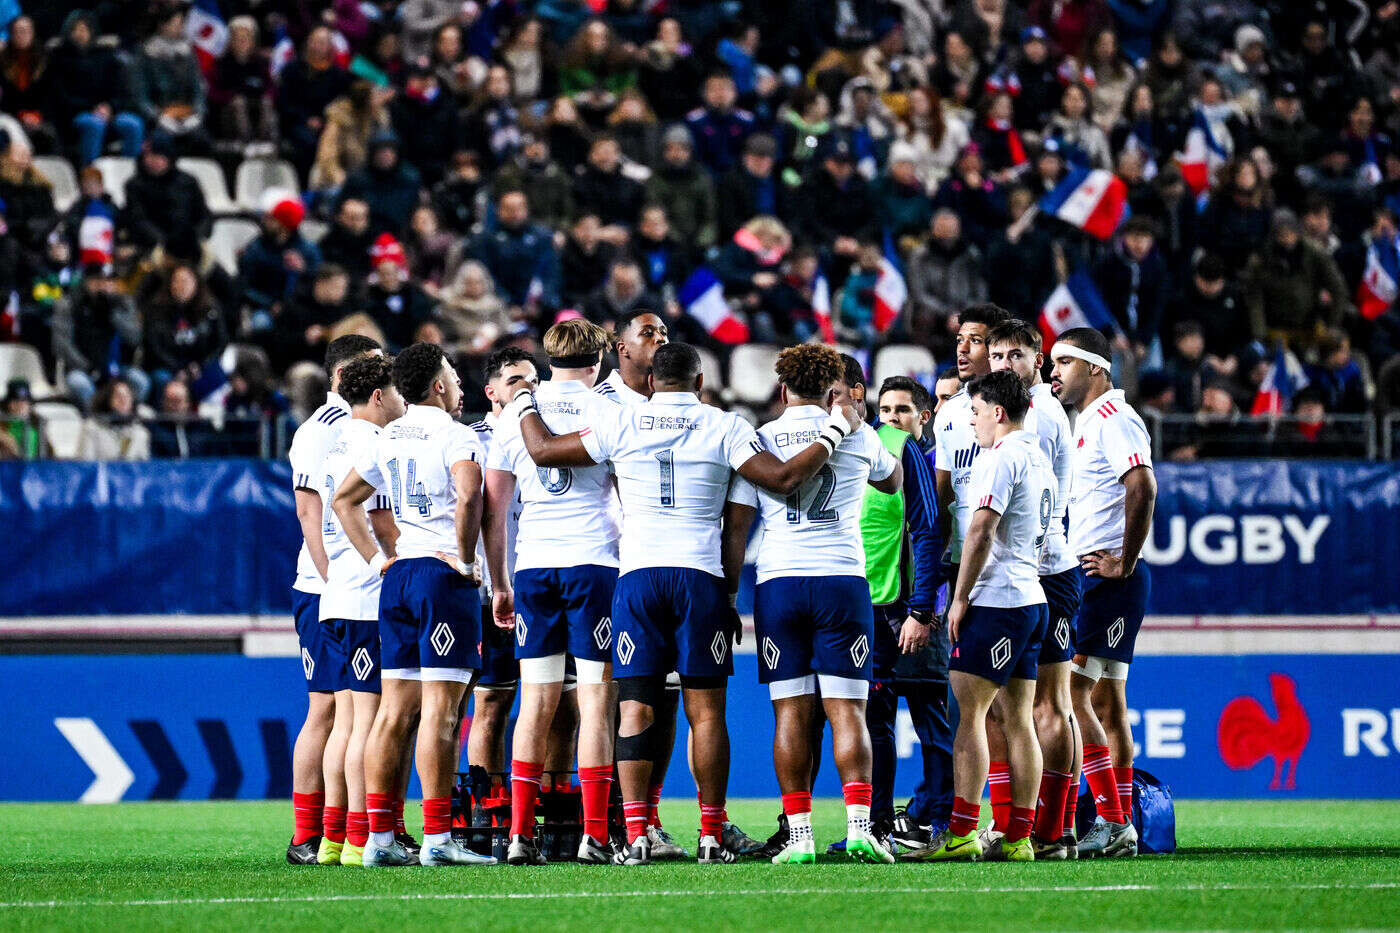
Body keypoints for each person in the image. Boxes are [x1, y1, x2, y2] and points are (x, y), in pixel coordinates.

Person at [506, 342, 865, 865]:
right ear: (700, 384)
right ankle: (711, 836)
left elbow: (541, 451)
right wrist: (836, 429)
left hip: (638, 578)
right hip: (700, 576)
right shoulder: (727, 427)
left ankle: (633, 838)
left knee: (634, 707)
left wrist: (523, 405)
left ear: (651, 381)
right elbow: (785, 480)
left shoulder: (623, 422)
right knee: (705, 711)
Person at [728, 345, 904, 865]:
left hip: (779, 583)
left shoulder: (758, 441)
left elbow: (737, 525)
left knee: (790, 711)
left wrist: (727, 593)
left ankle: (799, 835)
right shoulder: (859, 433)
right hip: (842, 583)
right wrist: (853, 427)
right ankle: (858, 829)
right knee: (849, 710)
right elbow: (892, 482)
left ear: (782, 390)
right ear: (835, 390)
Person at [331, 342, 497, 868]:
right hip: (441, 579)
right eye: (453, 374)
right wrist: (467, 561)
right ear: (438, 385)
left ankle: (378, 838)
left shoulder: (389, 435)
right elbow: (470, 496)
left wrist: (379, 559)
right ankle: (436, 838)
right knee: (442, 713)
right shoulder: (456, 434)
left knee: (394, 711)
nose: (460, 384)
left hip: (399, 577)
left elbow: (344, 499)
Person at [482, 320, 622, 866]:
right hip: (594, 563)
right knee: (593, 703)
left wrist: (500, 582)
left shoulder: (516, 414)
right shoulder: (609, 412)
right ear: (599, 362)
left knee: (534, 703)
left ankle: (519, 834)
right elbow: (627, 497)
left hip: (534, 567)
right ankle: (593, 835)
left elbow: (495, 512)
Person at [911, 369, 1054, 862]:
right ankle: (1018, 838)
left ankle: (963, 832)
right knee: (1019, 720)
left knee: (968, 719)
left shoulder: (1000, 458)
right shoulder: (1037, 456)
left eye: (974, 412)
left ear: (997, 412)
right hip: (1031, 598)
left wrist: (959, 597)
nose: (970, 422)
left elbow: (980, 531)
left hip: (997, 601)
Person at [590, 307, 695, 860]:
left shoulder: (676, 406)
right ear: (619, 346)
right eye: (647, 333)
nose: (658, 340)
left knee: (667, 695)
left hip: (659, 569)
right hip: (607, 565)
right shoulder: (602, 405)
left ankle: (646, 819)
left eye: (664, 333)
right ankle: (598, 820)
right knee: (610, 697)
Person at [1049, 327, 1157, 858]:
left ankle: (1111, 822)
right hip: (1098, 577)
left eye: (1063, 361)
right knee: (1109, 704)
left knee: (1072, 694)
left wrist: (1124, 561)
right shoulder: (1086, 422)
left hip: (1106, 579)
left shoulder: (1114, 419)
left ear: (1096, 367)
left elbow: (1143, 484)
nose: (1053, 372)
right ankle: (1096, 821)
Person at [283, 334, 382, 865]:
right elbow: (309, 513)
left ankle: (342, 832)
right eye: (372, 368)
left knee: (345, 710)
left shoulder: (361, 426)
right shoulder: (322, 431)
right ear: (347, 375)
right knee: (326, 708)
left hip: (340, 586)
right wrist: (333, 580)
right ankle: (309, 835)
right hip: (326, 587)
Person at [987, 321, 1082, 858]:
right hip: (1034, 571)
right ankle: (1032, 827)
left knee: (1046, 705)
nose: (1004, 363)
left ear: (1038, 360)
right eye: (996, 354)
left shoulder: (1036, 415)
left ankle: (1050, 828)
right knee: (1011, 707)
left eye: (1015, 355)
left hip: (1041, 571)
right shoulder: (1022, 411)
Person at [312, 354, 404, 867]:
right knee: (368, 724)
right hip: (368, 596)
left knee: (345, 724)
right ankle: (361, 838)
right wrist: (389, 561)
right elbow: (381, 518)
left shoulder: (338, 440)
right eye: (396, 394)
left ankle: (333, 837)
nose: (401, 402)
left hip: (336, 597)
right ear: (378, 398)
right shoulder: (375, 444)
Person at [864, 375, 949, 851]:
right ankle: (877, 827)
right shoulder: (876, 461)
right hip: (879, 607)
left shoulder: (932, 462)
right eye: (886, 410)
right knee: (876, 720)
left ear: (924, 417)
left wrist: (923, 608)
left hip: (920, 613)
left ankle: (942, 826)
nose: (892, 419)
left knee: (931, 722)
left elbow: (931, 537)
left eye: (902, 411)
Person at [466, 348, 538, 780]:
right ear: (491, 391)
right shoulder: (473, 439)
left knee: (548, 701)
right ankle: (484, 809)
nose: (526, 387)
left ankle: (543, 814)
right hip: (490, 591)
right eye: (514, 380)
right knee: (491, 700)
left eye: (532, 379)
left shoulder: (545, 430)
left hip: (540, 582)